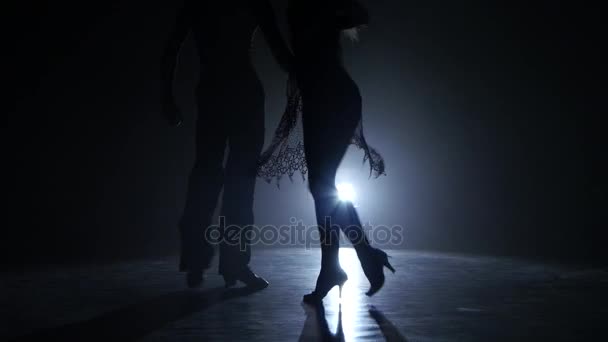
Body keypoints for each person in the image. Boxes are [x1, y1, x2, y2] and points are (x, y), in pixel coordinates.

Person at [259, 0, 394, 303]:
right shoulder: (297, 10)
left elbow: (358, 15)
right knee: (321, 188)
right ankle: (352, 260)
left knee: (322, 187)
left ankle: (344, 263)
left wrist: (328, 18)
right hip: (323, 100)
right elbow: (291, 61)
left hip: (332, 98)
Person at [161, 0, 294, 289]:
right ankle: (231, 264)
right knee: (235, 183)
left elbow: (172, 47)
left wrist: (167, 96)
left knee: (209, 176)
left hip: (216, 92)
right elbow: (281, 53)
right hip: (239, 93)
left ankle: (202, 261)